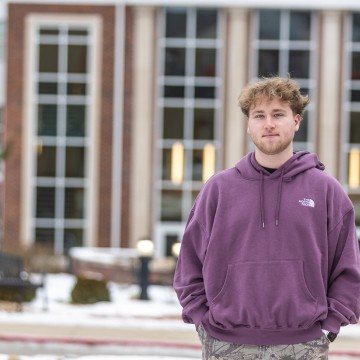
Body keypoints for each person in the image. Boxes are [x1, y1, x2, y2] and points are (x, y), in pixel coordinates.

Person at [173, 76, 360, 359]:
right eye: (259, 115)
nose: (268, 123)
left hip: (303, 344)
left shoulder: (325, 190)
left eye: (278, 114)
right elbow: (189, 264)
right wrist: (202, 319)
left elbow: (348, 269)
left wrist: (329, 326)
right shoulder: (219, 189)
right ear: (249, 125)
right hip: (225, 343)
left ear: (296, 121)